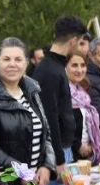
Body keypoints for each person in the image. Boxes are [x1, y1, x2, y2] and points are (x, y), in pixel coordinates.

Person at [0, 38, 54, 185]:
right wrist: (20, 172)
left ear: (26, 63)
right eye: (6, 59)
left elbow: (46, 133)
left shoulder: (32, 90)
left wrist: (47, 166)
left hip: (36, 183)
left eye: (18, 59)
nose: (12, 64)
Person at [32, 16, 88, 167]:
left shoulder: (56, 66)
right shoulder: (50, 71)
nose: (81, 47)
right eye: (81, 42)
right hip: (57, 151)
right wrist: (58, 157)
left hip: (63, 147)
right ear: (73, 41)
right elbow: (50, 117)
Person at [65, 51, 100, 160]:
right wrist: (78, 145)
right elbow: (61, 126)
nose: (79, 70)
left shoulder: (82, 93)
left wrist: (91, 145)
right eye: (74, 65)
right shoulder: (62, 93)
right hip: (70, 155)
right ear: (64, 67)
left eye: (83, 65)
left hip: (87, 154)